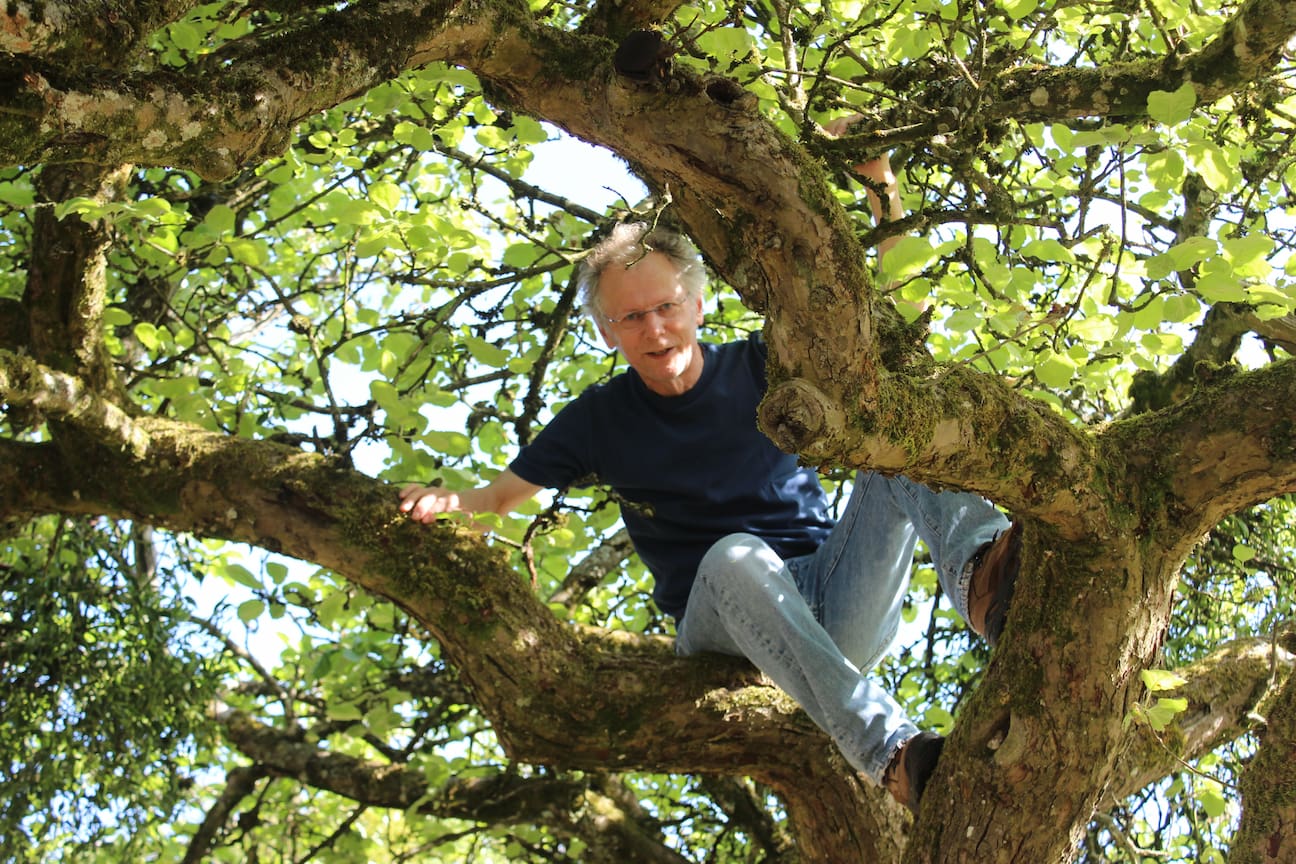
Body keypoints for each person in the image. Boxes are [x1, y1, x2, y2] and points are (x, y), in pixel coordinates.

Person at [399, 155, 1023, 814]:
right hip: (724, 621)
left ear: (697, 304)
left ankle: (985, 578)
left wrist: (882, 193)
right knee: (734, 554)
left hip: (832, 597)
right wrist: (448, 502)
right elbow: (497, 499)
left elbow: (894, 321)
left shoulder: (764, 363)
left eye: (665, 307)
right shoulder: (598, 420)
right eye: (631, 318)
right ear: (607, 333)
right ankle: (894, 757)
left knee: (893, 443)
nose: (655, 329)